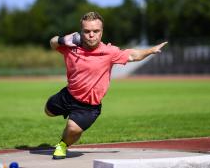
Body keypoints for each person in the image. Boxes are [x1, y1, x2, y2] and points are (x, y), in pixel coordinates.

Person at [45, 11, 167, 159]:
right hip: (67, 95)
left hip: (88, 106)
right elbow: (52, 43)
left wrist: (150, 50)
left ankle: (62, 145)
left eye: (96, 31)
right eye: (87, 31)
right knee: (48, 111)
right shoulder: (70, 46)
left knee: (72, 129)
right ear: (81, 31)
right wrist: (63, 39)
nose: (91, 35)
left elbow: (132, 55)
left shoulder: (109, 52)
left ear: (101, 32)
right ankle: (60, 115)